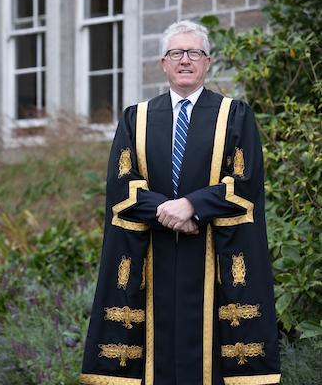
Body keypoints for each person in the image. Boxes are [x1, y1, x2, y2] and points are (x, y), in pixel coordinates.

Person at [80, 21, 281, 385]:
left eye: (194, 53)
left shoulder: (234, 115)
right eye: (176, 53)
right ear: (163, 62)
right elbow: (121, 187)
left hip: (212, 259)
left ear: (207, 62)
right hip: (154, 256)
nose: (184, 60)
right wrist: (169, 213)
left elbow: (245, 183)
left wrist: (193, 205)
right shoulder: (136, 118)